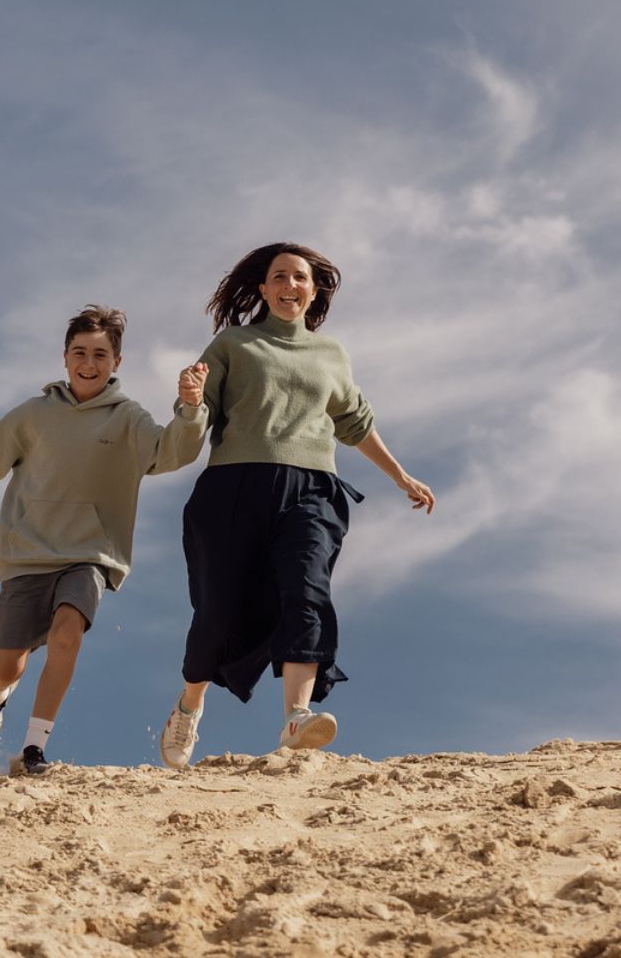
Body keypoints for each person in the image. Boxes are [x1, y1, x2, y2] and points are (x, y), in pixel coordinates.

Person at [158, 244, 435, 768]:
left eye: (300, 277)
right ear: (263, 290)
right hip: (233, 487)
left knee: (308, 591)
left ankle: (296, 716)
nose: (290, 285)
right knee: (218, 613)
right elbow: (200, 412)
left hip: (313, 488)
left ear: (313, 290)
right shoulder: (234, 343)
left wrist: (400, 476)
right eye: (279, 277)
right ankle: (189, 705)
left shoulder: (331, 354)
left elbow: (354, 421)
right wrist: (191, 402)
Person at [0, 305, 208, 775]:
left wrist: (191, 409)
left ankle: (33, 749)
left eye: (100, 354)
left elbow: (170, 451)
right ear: (65, 357)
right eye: (80, 352)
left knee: (67, 634)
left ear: (116, 362)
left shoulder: (128, 418)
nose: (89, 363)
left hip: (90, 554)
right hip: (28, 553)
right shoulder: (35, 414)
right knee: (8, 666)